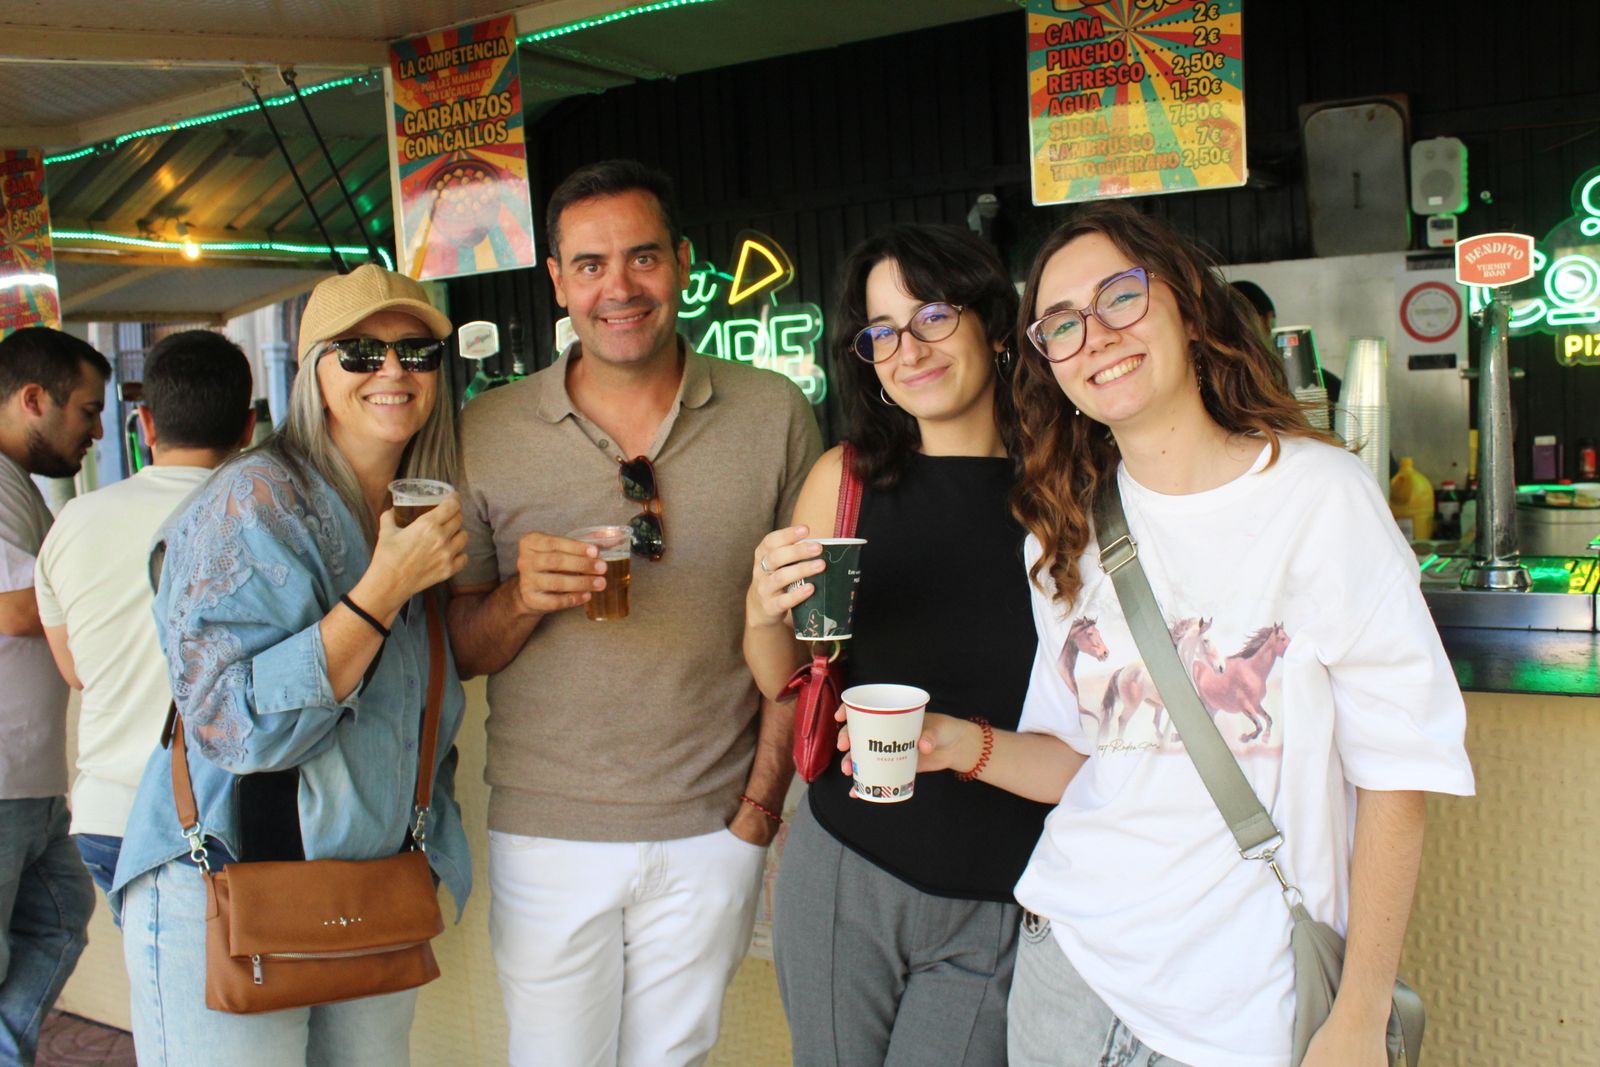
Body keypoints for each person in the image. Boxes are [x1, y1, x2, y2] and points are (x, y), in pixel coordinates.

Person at [887, 203, 1475, 1067]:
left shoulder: (1320, 498)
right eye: (1061, 324)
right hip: (1068, 969)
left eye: (1121, 296)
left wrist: (1359, 1014)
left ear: (1190, 308)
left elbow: (1399, 772)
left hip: (1243, 1007)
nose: (1095, 335)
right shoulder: (1065, 533)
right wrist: (952, 743)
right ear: (1048, 363)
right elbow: (1086, 760)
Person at [447, 159, 821, 1067]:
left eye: (643, 258)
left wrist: (760, 808)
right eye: (589, 264)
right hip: (548, 830)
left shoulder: (773, 413)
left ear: (684, 263)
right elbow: (456, 647)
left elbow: (814, 637)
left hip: (714, 825)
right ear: (557, 279)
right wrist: (520, 597)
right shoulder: (485, 427)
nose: (618, 287)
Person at [111, 265, 474, 1065]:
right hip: (228, 891)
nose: (392, 371)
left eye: (416, 352)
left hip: (365, 889)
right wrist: (384, 589)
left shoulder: (421, 505)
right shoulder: (252, 501)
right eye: (360, 352)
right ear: (313, 368)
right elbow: (232, 730)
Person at [744, 224, 1051, 1066]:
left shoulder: (1067, 490)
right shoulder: (844, 480)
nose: (906, 348)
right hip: (847, 865)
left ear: (992, 322)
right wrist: (760, 607)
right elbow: (785, 677)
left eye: (931, 316)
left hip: (999, 889)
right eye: (881, 331)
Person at [35, 330, 256, 898]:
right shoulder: (266, 523)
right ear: (249, 430)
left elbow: (78, 670)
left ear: (147, 425)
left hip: (106, 817)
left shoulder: (73, 523)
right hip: (216, 818)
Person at [0, 326, 104, 1067]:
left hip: (30, 777)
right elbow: (13, 604)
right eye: (87, 412)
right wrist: (114, 610)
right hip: (2, 776)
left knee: (63, 917)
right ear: (34, 399)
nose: (96, 433)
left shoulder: (19, 485)